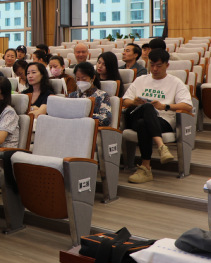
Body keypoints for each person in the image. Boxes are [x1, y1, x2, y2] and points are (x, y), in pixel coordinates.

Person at [122, 49, 193, 184]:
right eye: (152, 65)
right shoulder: (141, 80)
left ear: (167, 65)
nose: (154, 69)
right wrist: (134, 102)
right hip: (135, 117)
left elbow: (188, 106)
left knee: (144, 123)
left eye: (159, 66)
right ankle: (161, 147)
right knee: (147, 107)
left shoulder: (175, 82)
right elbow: (125, 101)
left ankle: (146, 168)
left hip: (163, 120)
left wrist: (164, 106)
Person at [68, 62, 112, 127]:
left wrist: (87, 115)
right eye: (78, 79)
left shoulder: (102, 96)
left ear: (93, 78)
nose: (80, 81)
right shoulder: (72, 96)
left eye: (84, 79)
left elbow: (106, 120)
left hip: (91, 128)